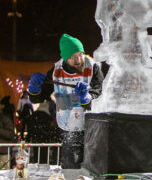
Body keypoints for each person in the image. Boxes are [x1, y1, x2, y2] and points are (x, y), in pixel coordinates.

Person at [27, 34, 103, 169]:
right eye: (73, 56)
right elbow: (38, 98)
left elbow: (101, 93)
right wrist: (34, 89)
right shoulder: (56, 71)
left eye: (80, 54)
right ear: (65, 57)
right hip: (69, 127)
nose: (78, 59)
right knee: (71, 168)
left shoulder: (93, 67)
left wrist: (87, 98)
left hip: (92, 128)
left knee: (93, 168)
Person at [0, 96, 16, 169]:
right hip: (3, 150)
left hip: (4, 151)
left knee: (4, 174)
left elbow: (10, 134)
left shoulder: (5, 118)